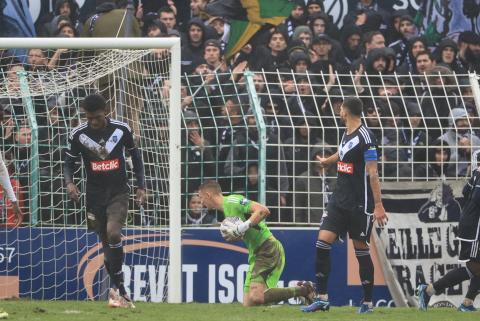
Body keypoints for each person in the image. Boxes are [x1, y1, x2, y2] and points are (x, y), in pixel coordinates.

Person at [302, 97, 388, 314]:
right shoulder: (347, 132)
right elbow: (343, 151)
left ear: (346, 111)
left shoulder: (367, 137)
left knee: (361, 250)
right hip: (339, 199)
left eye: (340, 108)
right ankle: (322, 298)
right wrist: (327, 161)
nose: (338, 112)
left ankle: (367, 302)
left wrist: (378, 205)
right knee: (322, 243)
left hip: (360, 203)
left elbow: (373, 172)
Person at [64, 94, 146, 308]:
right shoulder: (79, 135)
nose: (93, 122)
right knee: (106, 243)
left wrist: (141, 185)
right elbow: (68, 163)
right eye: (89, 118)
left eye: (97, 118)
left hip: (119, 192)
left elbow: (136, 157)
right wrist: (70, 183)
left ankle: (121, 291)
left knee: (113, 233)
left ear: (106, 111)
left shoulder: (121, 130)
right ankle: (121, 292)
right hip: (93, 196)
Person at [197, 180, 315, 306]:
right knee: (249, 303)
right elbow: (247, 230)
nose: (201, 201)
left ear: (208, 194)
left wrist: (241, 227)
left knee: (256, 297)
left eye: (200, 197)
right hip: (256, 253)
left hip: (267, 247)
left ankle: (304, 290)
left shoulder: (233, 201)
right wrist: (236, 233)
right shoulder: (226, 211)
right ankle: (303, 290)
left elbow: (263, 210)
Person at [417, 160, 480, 312]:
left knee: (473, 269)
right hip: (475, 228)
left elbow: (466, 191)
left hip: (471, 223)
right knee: (475, 268)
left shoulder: (477, 170)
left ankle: (430, 291)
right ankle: (466, 303)